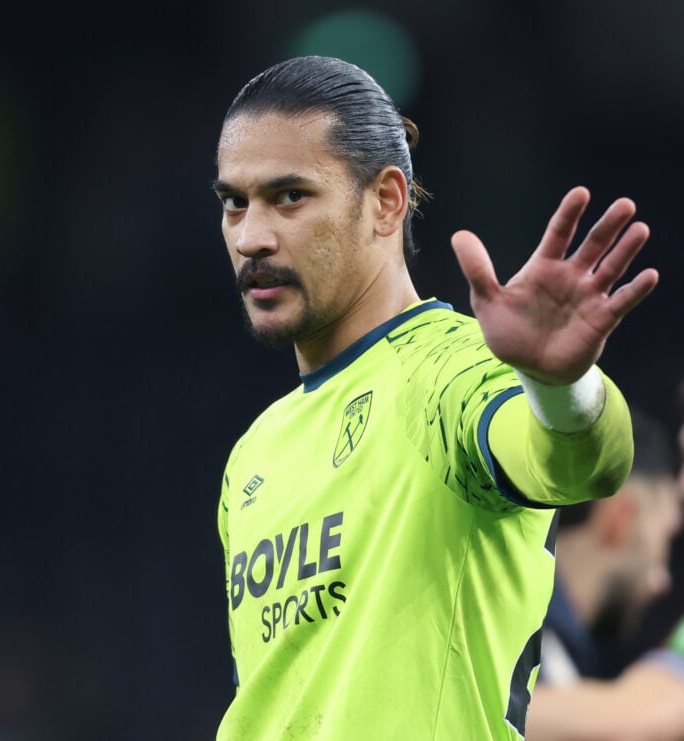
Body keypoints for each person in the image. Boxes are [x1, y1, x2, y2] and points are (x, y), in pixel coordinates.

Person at [213, 56, 658, 740]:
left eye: (291, 196)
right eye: (234, 201)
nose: (251, 237)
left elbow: (580, 464)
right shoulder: (252, 456)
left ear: (386, 201)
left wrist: (560, 383)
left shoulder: (447, 370)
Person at [526, 407, 684, 739]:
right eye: (662, 543)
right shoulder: (527, 658)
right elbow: (631, 723)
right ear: (620, 519)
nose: (662, 582)